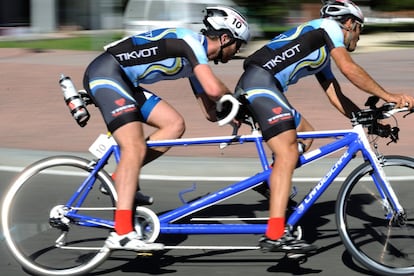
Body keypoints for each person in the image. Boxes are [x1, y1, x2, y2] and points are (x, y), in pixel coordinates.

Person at [234, 0, 414, 253]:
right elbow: (350, 69)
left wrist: (368, 122)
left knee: (305, 135)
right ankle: (275, 234)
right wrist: (389, 95)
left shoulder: (319, 47)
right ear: (350, 23)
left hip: (264, 85)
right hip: (260, 83)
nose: (359, 37)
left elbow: (335, 94)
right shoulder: (328, 28)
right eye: (360, 30)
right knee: (288, 152)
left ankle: (271, 182)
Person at [82, 6, 250, 251]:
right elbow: (215, 90)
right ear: (225, 39)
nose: (238, 51)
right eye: (238, 45)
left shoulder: (196, 60)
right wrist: (238, 100)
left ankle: (120, 178)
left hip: (125, 83)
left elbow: (209, 111)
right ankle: (121, 232)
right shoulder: (190, 42)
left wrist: (233, 114)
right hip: (107, 74)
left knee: (174, 124)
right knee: (134, 145)